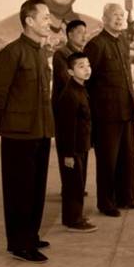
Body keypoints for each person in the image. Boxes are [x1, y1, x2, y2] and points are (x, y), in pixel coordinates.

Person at [0, 0, 55, 264]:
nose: (49, 22)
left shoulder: (40, 52)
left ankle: (31, 236)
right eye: (45, 17)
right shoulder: (12, 53)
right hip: (18, 134)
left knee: (36, 188)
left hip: (40, 131)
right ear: (29, 21)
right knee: (19, 191)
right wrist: (3, 126)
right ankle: (19, 244)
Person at [84, 3, 134, 217]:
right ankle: (106, 203)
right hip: (106, 114)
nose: (119, 19)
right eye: (114, 15)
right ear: (104, 19)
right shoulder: (96, 45)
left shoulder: (122, 41)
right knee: (108, 160)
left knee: (128, 157)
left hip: (126, 109)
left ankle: (127, 198)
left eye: (122, 15)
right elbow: (87, 81)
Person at [54, 52, 98, 233]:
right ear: (71, 72)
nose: (87, 69)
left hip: (81, 145)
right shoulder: (70, 94)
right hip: (72, 149)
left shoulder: (80, 88)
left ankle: (74, 216)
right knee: (73, 184)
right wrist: (68, 154)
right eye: (81, 66)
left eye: (88, 65)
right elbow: (66, 128)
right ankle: (73, 221)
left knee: (78, 183)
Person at [52, 19, 89, 196]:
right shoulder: (61, 54)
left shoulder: (82, 54)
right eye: (80, 32)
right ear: (70, 34)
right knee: (68, 149)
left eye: (85, 32)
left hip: (81, 108)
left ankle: (78, 187)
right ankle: (69, 189)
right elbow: (67, 80)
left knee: (81, 148)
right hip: (66, 108)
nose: (84, 36)